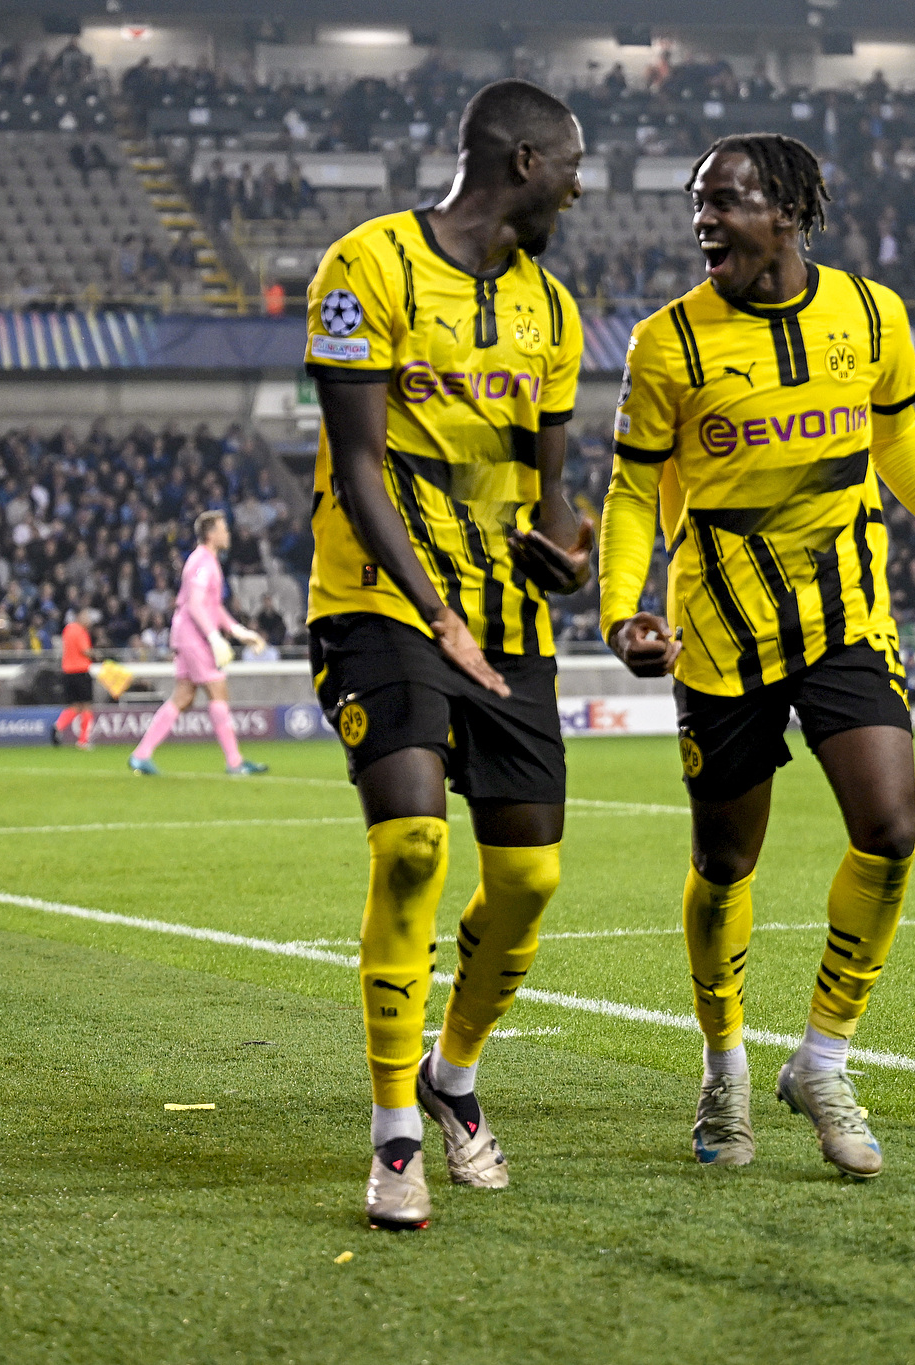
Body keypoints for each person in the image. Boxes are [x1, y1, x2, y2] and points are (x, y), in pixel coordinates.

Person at [601, 132, 915, 1178]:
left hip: (844, 617)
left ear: (785, 210)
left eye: (724, 201)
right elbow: (634, 492)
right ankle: (723, 1063)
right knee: (726, 860)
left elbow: (896, 443)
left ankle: (820, 1060)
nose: (704, 221)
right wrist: (620, 612)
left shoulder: (870, 316)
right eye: (698, 203)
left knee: (890, 826)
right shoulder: (664, 345)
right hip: (719, 632)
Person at [303, 79, 591, 1229]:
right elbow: (360, 464)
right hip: (380, 601)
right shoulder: (362, 267)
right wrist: (439, 616)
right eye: (571, 167)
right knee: (415, 841)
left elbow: (550, 486)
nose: (578, 188)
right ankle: (393, 1136)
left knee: (528, 880)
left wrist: (565, 557)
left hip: (507, 627)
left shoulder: (553, 313)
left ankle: (453, 1076)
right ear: (524, 161)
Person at [127, 511, 269, 776]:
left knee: (184, 696)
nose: (228, 533)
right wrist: (214, 637)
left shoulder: (206, 561)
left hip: (186, 633)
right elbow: (195, 604)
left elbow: (212, 606)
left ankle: (141, 755)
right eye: (223, 529)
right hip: (194, 635)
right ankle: (235, 762)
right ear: (211, 534)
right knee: (218, 691)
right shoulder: (203, 562)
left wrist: (238, 631)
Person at [52, 609, 96, 749]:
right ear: (80, 617)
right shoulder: (80, 631)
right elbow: (85, 651)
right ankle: (83, 740)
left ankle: (58, 726)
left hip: (68, 672)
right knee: (86, 706)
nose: (89, 620)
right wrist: (97, 655)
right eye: (87, 617)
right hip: (81, 671)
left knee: (74, 706)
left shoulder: (68, 629)